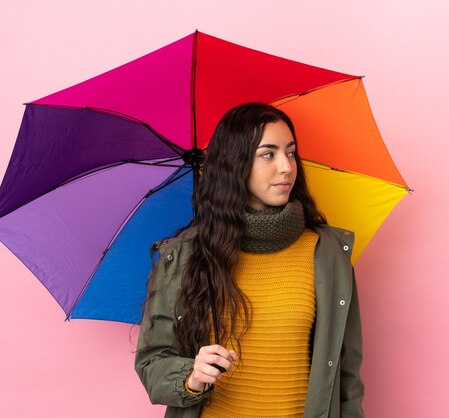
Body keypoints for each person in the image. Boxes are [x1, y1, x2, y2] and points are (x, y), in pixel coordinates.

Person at [135, 103, 365, 417]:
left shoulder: (326, 253)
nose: (286, 167)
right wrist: (190, 375)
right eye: (268, 154)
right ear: (235, 164)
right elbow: (152, 363)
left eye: (291, 152)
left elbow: (347, 380)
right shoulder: (188, 255)